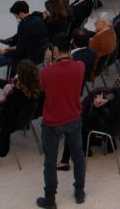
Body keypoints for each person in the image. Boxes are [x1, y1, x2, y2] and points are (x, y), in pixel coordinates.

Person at [36, 38, 86, 207]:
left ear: (55, 49)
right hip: (73, 116)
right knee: (78, 155)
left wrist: (49, 62)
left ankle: (50, 199)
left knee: (50, 161)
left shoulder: (46, 72)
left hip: (52, 120)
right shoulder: (80, 66)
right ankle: (79, 191)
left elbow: (41, 87)